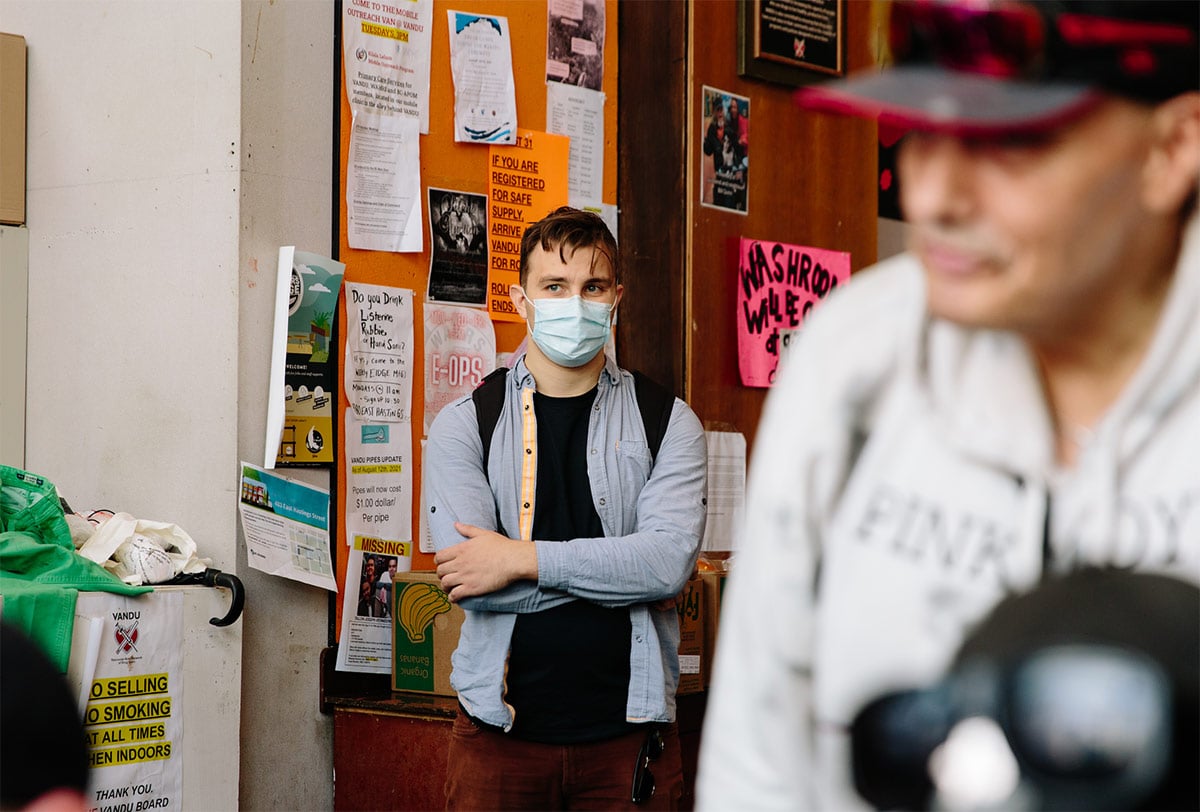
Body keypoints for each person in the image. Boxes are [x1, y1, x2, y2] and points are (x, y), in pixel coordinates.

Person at [696, 1, 1200, 809]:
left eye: (1009, 142)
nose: (933, 197)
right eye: (922, 129)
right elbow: (757, 767)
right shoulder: (853, 360)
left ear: (1172, 148)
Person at [424, 206, 708, 810]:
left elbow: (665, 568)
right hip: (498, 742)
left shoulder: (669, 422)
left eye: (592, 287)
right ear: (520, 299)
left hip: (629, 745)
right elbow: (471, 583)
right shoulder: (463, 425)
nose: (574, 303)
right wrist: (620, 575)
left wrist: (519, 559)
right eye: (554, 286)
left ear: (616, 299)